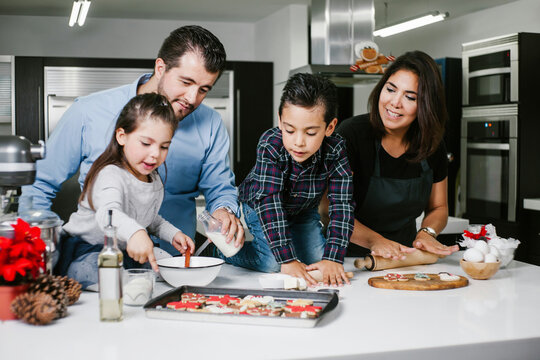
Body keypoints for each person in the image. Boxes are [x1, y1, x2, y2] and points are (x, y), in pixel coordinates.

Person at [21, 25, 244, 263]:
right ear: (161, 68)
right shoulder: (88, 112)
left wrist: (224, 210)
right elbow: (38, 187)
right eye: (185, 82)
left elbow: (219, 188)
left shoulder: (210, 124)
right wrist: (39, 253)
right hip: (102, 262)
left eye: (203, 90)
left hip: (175, 264)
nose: (192, 98)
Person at [223, 73, 355, 286]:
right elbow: (270, 204)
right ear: (280, 120)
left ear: (330, 127)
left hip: (303, 210)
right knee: (272, 264)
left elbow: (342, 205)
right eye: (290, 130)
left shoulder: (336, 148)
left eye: (311, 132)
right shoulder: (270, 145)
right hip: (260, 205)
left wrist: (333, 258)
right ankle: (222, 252)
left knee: (318, 261)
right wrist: (288, 260)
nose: (298, 142)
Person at [57, 93, 195, 288]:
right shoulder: (110, 174)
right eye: (146, 143)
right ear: (122, 136)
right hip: (86, 250)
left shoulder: (152, 178)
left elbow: (148, 217)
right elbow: (108, 214)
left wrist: (172, 234)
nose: (155, 154)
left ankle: (131, 279)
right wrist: (136, 233)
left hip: (124, 250)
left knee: (166, 263)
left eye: (164, 147)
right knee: (98, 270)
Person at [332, 50, 459, 260]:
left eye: (410, 97)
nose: (395, 103)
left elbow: (439, 207)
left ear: (426, 105)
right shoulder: (351, 135)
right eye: (390, 89)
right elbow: (329, 211)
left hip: (403, 259)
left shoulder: (432, 144)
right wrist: (376, 241)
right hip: (346, 258)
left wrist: (427, 233)